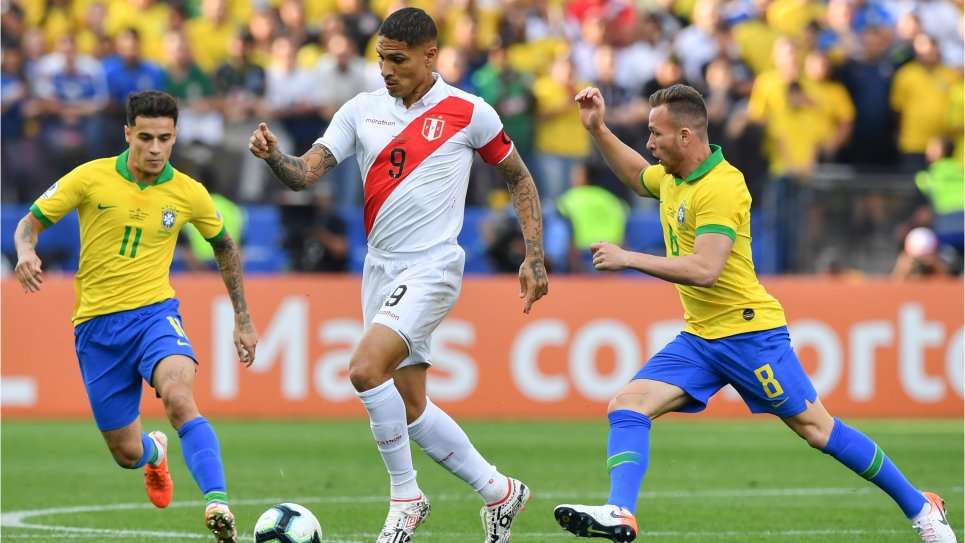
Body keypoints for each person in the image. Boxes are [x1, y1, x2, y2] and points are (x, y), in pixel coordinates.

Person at [552, 83, 956, 543]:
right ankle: (620, 511)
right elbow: (635, 175)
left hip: (749, 335)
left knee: (819, 430)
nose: (648, 143)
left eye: (655, 134)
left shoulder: (723, 185)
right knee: (627, 405)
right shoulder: (672, 178)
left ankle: (922, 509)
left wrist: (630, 258)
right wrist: (598, 129)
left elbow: (706, 269)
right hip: (701, 339)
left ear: (686, 136)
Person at [249, 7, 548, 543]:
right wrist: (275, 157)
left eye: (398, 60)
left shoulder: (469, 112)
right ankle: (500, 491)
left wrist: (534, 256)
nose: (386, 70)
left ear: (430, 55)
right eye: (381, 58)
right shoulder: (360, 110)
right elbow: (305, 174)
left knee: (365, 370)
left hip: (433, 265)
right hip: (380, 266)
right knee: (410, 404)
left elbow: (520, 180)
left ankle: (406, 497)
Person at [13, 90, 257, 543]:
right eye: (145, 137)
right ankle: (154, 453)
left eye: (165, 138)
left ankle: (217, 503)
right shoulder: (90, 178)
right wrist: (26, 251)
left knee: (179, 397)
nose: (155, 149)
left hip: (155, 316)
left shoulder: (188, 192)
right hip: (97, 329)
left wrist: (242, 318)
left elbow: (224, 245)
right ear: (127, 134)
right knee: (126, 453)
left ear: (175, 136)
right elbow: (29, 222)